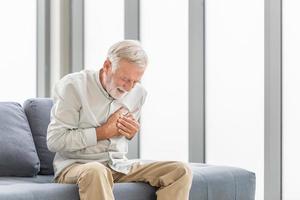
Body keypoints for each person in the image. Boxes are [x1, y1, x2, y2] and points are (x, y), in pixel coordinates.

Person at [47, 40, 193, 200]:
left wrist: (129, 133)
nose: (129, 87)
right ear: (107, 66)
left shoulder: (138, 93)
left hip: (118, 165)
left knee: (180, 171)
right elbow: (55, 141)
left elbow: (121, 136)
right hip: (76, 166)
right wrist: (102, 132)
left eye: (135, 81)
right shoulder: (73, 86)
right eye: (125, 79)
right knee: (96, 171)